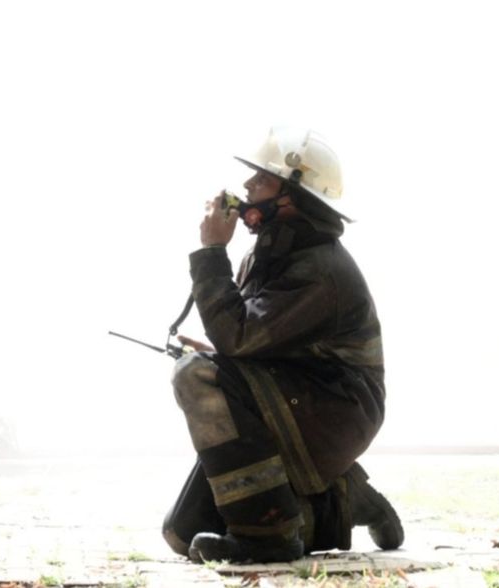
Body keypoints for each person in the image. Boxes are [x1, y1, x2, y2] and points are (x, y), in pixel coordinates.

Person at [162, 127, 403, 564]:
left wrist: (213, 250)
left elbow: (240, 335)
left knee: (194, 374)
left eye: (261, 180)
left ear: (292, 197)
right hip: (303, 397)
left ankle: (267, 539)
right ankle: (347, 501)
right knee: (182, 534)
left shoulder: (320, 267)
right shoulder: (271, 253)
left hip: (338, 408)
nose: (248, 188)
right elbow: (257, 340)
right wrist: (222, 356)